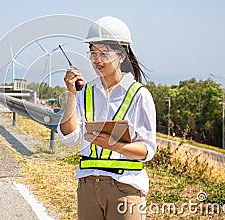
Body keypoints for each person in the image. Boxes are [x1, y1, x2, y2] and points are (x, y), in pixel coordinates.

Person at [57, 16, 156, 220]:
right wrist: (71, 94)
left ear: (122, 56)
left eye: (104, 53)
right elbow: (69, 136)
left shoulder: (139, 95)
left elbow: (147, 150)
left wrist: (115, 146)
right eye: (93, 53)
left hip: (125, 188)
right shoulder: (85, 92)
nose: (97, 60)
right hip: (87, 187)